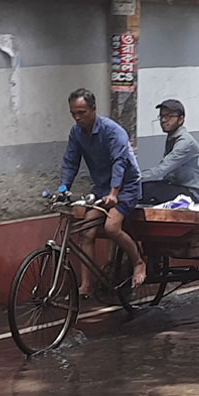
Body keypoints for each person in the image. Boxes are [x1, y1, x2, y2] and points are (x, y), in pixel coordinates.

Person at [59, 88, 147, 292]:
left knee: (111, 228)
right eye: (74, 113)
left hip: (126, 188)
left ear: (93, 109)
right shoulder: (76, 133)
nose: (78, 117)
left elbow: (119, 162)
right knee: (87, 233)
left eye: (82, 112)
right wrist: (63, 189)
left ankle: (138, 261)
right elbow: (70, 161)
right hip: (101, 189)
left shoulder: (112, 131)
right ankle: (86, 284)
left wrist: (114, 193)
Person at [140, 99, 199, 204]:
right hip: (175, 185)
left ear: (181, 119)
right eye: (162, 116)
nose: (164, 120)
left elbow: (161, 170)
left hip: (191, 192)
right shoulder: (172, 137)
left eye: (169, 116)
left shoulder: (185, 142)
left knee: (146, 189)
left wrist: (132, 178)